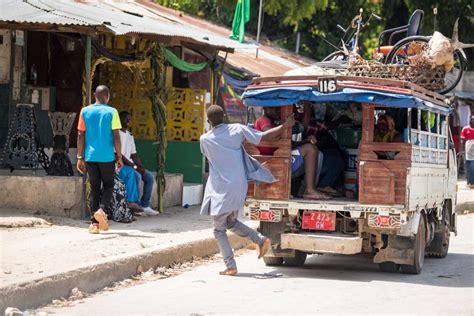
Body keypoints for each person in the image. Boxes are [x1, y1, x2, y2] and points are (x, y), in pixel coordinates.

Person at [200, 105, 294, 276]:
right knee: (229, 222)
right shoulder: (237, 129)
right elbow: (264, 136)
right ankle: (260, 240)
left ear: (208, 121)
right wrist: (286, 125)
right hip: (239, 185)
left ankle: (231, 266)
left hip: (221, 189)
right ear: (226, 117)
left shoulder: (204, 140)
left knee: (218, 230)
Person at [255, 107, 329, 200]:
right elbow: (269, 135)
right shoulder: (263, 120)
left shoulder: (273, 123)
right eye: (275, 109)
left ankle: (306, 189)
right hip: (272, 162)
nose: (278, 111)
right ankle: (310, 190)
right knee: (310, 150)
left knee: (314, 150)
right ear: (266, 109)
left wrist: (306, 140)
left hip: (278, 159)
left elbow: (289, 144)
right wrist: (285, 125)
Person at [77, 85, 123, 234]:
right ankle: (102, 210)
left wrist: (79, 157)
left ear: (94, 95)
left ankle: (94, 224)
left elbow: (80, 135)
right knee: (109, 185)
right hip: (107, 157)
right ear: (107, 96)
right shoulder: (112, 112)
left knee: (95, 188)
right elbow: (116, 136)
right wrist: (119, 156)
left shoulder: (85, 111)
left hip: (90, 157)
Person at [118, 111, 159, 216]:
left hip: (131, 164)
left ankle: (145, 205)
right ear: (120, 119)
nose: (128, 121)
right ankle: (135, 205)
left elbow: (134, 154)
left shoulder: (129, 135)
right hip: (121, 165)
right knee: (137, 176)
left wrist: (140, 166)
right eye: (125, 118)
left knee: (149, 177)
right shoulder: (116, 134)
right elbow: (119, 154)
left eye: (129, 119)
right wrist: (133, 166)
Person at [461, 116, 474, 188]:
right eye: (472, 119)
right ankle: (469, 182)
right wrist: (462, 150)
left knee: (472, 166)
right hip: (467, 150)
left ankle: (472, 183)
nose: (473, 121)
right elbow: (462, 139)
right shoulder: (465, 129)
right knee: (468, 167)